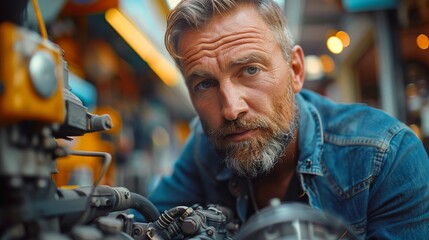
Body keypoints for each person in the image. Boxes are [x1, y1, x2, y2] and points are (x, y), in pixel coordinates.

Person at [148, 0, 429, 238]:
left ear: (295, 71)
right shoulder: (203, 147)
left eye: (250, 70)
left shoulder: (385, 157)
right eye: (205, 85)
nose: (231, 110)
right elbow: (147, 219)